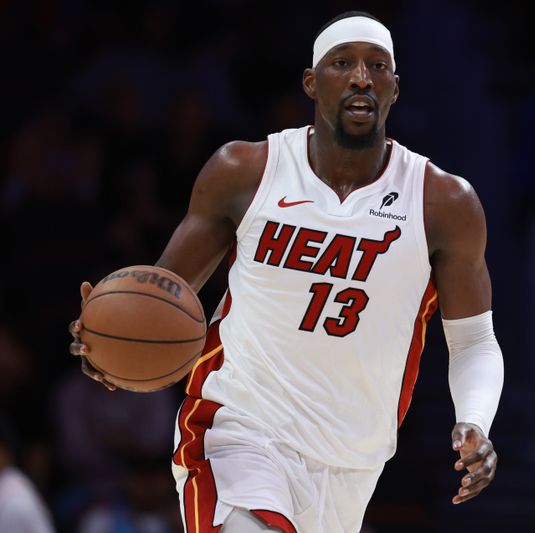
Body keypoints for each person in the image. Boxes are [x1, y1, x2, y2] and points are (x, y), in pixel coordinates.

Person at [69, 11, 504, 533]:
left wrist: (475, 421)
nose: (361, 77)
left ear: (394, 88)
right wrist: (109, 335)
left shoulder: (442, 203)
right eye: (342, 63)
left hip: (353, 457)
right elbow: (163, 292)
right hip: (239, 428)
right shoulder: (245, 171)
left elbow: (475, 340)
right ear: (311, 82)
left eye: (377, 66)